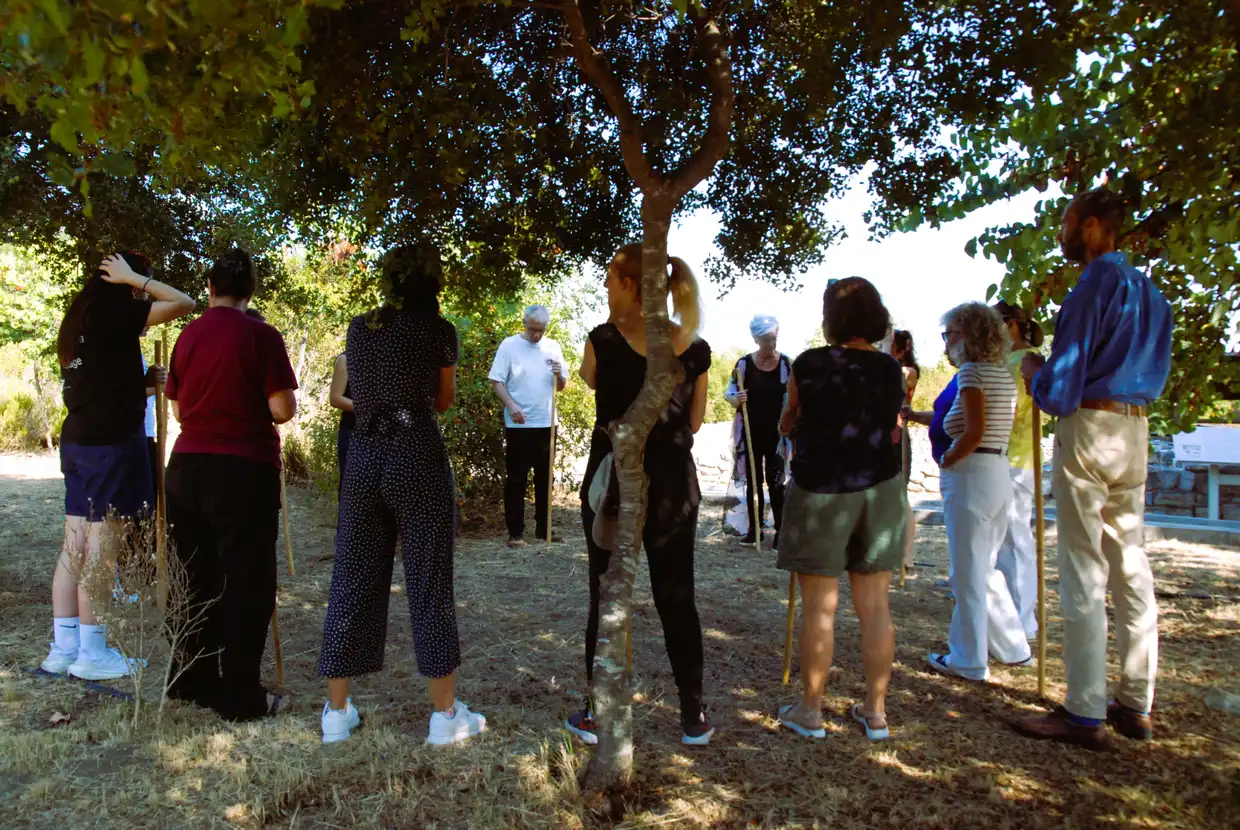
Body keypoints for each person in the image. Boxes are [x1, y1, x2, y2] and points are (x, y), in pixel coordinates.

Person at [1011, 188, 1172, 749]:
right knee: (1130, 561)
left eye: (1066, 221)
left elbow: (1060, 389)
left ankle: (1082, 710)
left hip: (1092, 425)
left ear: (1093, 226)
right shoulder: (1151, 293)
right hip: (1136, 427)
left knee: (1082, 564)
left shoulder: (1093, 285)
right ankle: (1135, 701)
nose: (1061, 231)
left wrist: (1036, 371)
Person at [318, 243, 486, 746]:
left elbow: (358, 391)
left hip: (365, 455)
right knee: (429, 579)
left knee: (351, 575)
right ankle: (444, 716)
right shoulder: (439, 332)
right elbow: (444, 400)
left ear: (388, 280)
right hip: (417, 454)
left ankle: (335, 712)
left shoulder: (360, 328)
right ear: (433, 284)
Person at [565, 243, 715, 747]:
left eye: (610, 278)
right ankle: (693, 714)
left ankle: (595, 711)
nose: (606, 287)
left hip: (614, 482)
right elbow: (694, 422)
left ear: (631, 285)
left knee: (605, 597)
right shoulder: (694, 347)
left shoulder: (602, 341)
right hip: (675, 483)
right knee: (678, 598)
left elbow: (590, 383)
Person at [42, 252, 195, 681]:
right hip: (109, 445)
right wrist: (138, 280)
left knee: (74, 543)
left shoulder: (82, 315)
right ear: (124, 284)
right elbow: (184, 302)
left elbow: (100, 384)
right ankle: (92, 651)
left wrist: (143, 385)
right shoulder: (115, 309)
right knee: (101, 547)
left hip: (78, 439)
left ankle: (64, 646)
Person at [163, 249, 298, 721]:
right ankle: (240, 695)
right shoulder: (261, 334)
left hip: (187, 465)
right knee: (246, 579)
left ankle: (190, 680)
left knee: (193, 573)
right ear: (250, 291)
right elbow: (282, 409)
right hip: (242, 467)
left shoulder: (187, 335)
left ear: (209, 288)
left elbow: (179, 409)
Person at [774, 277, 906, 743]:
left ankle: (811, 710)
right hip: (880, 490)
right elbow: (891, 426)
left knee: (819, 609)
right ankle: (876, 711)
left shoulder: (808, 364)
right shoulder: (891, 369)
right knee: (875, 607)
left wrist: (792, 420)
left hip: (821, 490)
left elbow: (789, 421)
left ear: (832, 317)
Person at [925, 302, 1031, 681]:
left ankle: (967, 658)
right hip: (998, 471)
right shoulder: (1002, 373)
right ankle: (1013, 646)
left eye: (950, 333)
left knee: (968, 571)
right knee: (983, 566)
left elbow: (972, 430)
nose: (947, 342)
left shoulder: (972, 373)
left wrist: (950, 458)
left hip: (972, 474)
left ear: (968, 335)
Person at [488, 305, 569, 547]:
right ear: (524, 323)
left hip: (547, 423)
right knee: (517, 479)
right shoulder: (509, 345)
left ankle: (544, 529)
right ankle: (516, 533)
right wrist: (511, 405)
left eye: (541, 330)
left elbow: (562, 386)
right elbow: (496, 382)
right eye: (533, 329)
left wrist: (560, 376)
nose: (536, 335)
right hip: (519, 424)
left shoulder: (553, 347)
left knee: (546, 479)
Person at [992, 301, 1044, 640]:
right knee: (1008, 542)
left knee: (1016, 541)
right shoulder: (1011, 363)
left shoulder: (1021, 363)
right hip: (1012, 459)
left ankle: (1023, 622)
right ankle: (1013, 617)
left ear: (1010, 325)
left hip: (1014, 459)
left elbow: (1006, 415)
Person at [723, 314, 791, 546]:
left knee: (776, 482)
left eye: (773, 339)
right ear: (756, 339)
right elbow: (729, 393)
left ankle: (781, 532)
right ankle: (755, 530)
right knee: (753, 482)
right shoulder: (743, 365)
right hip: (750, 433)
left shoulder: (786, 364)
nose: (770, 344)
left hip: (778, 434)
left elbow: (795, 396)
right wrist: (736, 398)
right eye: (765, 340)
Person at [889, 329, 919, 573]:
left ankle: (906, 554)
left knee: (901, 495)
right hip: (883, 435)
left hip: (898, 434)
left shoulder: (906, 371)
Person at [328, 353, 354, 499]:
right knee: (350, 490)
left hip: (382, 433)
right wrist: (368, 408)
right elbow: (335, 398)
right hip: (351, 432)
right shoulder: (345, 359)